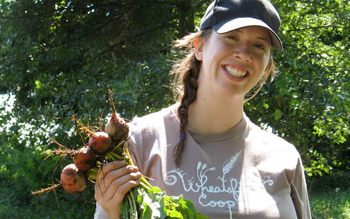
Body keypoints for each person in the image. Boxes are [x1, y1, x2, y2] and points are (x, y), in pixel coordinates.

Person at [94, 0, 312, 218]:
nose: (244, 54)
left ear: (266, 66)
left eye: (259, 46)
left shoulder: (284, 157)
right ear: (199, 47)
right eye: (232, 37)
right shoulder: (139, 143)